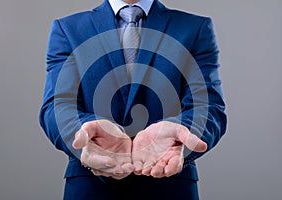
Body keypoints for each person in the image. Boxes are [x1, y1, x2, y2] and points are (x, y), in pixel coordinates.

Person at [39, 0, 227, 199]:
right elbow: (57, 106)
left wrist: (180, 129)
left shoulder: (195, 28)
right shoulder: (68, 29)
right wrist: (85, 129)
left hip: (170, 186)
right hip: (91, 187)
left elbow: (208, 106)